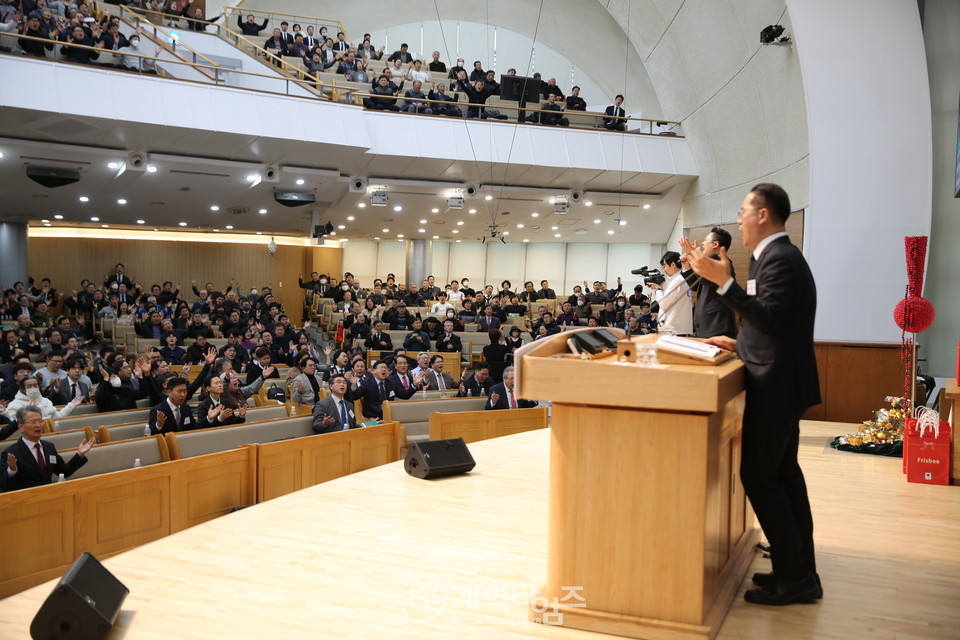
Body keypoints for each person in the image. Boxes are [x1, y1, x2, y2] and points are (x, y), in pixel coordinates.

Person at [687, 183, 821, 606]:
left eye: (744, 211)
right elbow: (768, 326)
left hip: (776, 385)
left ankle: (796, 577)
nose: (739, 219)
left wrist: (724, 285)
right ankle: (798, 570)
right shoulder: (776, 257)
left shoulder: (780, 259)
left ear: (763, 215)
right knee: (783, 477)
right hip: (778, 378)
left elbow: (771, 318)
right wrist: (737, 345)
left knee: (761, 478)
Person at [1, 405, 94, 492]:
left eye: (40, 421)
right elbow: (4, 486)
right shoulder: (11, 453)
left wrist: (80, 455)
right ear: (21, 427)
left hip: (49, 497)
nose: (38, 425)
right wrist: (12, 470)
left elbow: (64, 472)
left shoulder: (49, 447)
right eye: (33, 422)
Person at [678, 227, 739, 339]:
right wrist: (687, 267)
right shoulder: (710, 263)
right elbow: (698, 285)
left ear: (715, 244)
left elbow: (705, 279)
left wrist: (692, 253)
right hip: (706, 326)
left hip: (717, 326)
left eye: (706, 240)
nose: (703, 243)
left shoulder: (722, 262)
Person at [652, 251, 693, 335]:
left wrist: (658, 290)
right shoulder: (684, 279)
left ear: (673, 265)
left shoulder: (677, 281)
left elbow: (663, 304)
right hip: (681, 328)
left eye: (664, 266)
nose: (664, 270)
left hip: (673, 329)